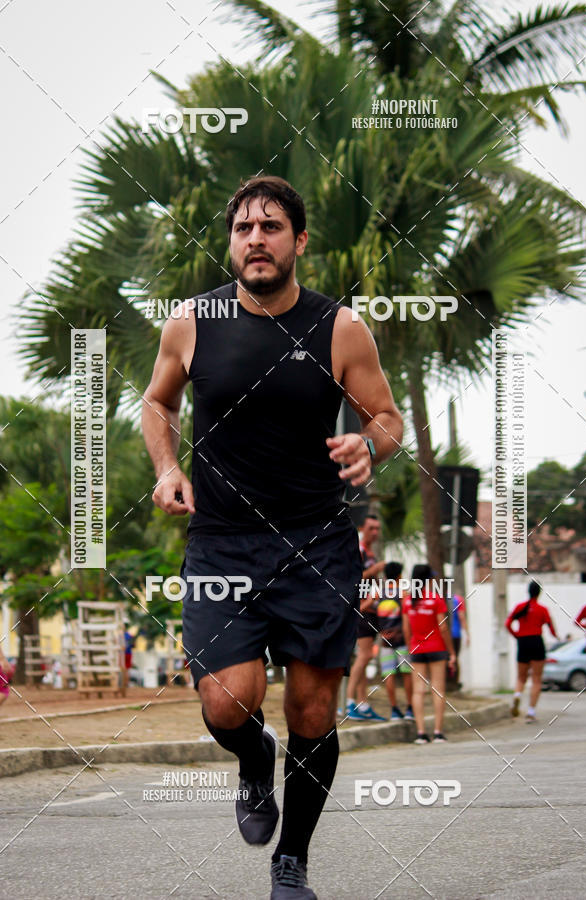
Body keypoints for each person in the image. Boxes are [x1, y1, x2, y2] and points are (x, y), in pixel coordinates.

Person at [141, 175, 404, 899]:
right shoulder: (192, 322)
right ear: (230, 242)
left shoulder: (339, 328)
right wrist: (167, 468)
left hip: (316, 542)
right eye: (244, 229)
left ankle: (292, 861)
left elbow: (386, 417)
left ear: (299, 241)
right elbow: (157, 402)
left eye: (272, 227)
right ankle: (254, 759)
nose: (255, 239)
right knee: (228, 702)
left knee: (314, 710)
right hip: (222, 540)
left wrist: (368, 447)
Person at [402, 564, 455, 743]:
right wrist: (451, 652)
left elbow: (406, 628)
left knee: (418, 691)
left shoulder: (408, 601)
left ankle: (421, 733)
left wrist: (412, 646)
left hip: (417, 649)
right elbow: (444, 627)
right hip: (437, 648)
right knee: (438, 690)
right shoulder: (436, 599)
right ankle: (438, 732)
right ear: (429, 579)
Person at [346, 514, 387, 721]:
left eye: (378, 529)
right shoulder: (359, 550)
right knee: (363, 656)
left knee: (364, 656)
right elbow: (353, 577)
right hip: (362, 609)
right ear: (362, 528)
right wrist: (375, 570)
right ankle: (349, 702)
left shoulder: (370, 552)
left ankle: (362, 704)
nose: (375, 533)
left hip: (371, 609)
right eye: (371, 528)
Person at [505, 580, 558, 723]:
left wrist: (516, 635)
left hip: (523, 642)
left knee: (521, 677)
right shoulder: (542, 609)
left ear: (528, 591)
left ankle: (517, 695)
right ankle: (531, 712)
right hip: (536, 642)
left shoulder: (520, 607)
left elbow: (507, 623)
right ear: (539, 593)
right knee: (536, 679)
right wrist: (556, 636)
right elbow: (551, 628)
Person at [376, 562, 414, 719]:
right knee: (406, 673)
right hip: (402, 639)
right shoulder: (404, 593)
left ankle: (394, 710)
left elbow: (364, 607)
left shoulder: (379, 593)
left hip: (385, 640)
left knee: (388, 674)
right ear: (399, 576)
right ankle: (410, 709)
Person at [448, 592, 469, 689]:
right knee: (455, 658)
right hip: (456, 634)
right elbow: (462, 617)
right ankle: (455, 682)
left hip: (444, 635)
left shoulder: (438, 597)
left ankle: (449, 681)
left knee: (446, 658)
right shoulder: (457, 599)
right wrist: (467, 634)